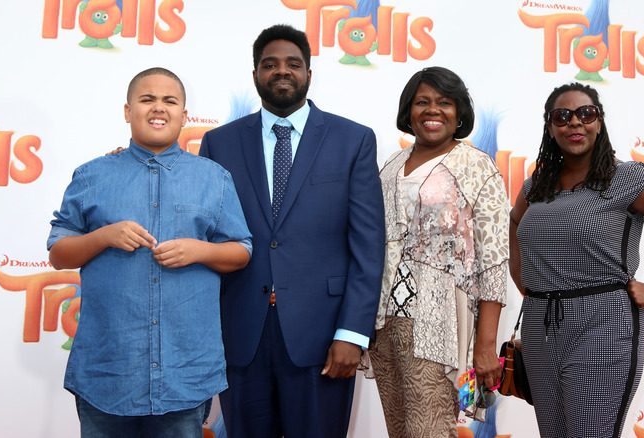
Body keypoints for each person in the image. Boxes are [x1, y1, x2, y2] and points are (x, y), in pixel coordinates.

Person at [198, 24, 385, 438]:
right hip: (241, 335)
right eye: (270, 64)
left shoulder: (353, 140)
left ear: (308, 74)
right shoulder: (219, 143)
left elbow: (368, 249)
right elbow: (206, 240)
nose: (281, 72)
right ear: (255, 77)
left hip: (323, 336)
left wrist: (353, 334)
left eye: (293, 64)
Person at [47, 67, 252, 438]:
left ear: (184, 116)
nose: (158, 108)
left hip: (185, 370)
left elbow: (242, 252)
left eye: (169, 101)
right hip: (108, 369)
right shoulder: (91, 176)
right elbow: (59, 254)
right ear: (128, 111)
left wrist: (200, 250)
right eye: (147, 99)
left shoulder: (214, 178)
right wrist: (104, 236)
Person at [509, 82, 644, 438]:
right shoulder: (536, 186)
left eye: (585, 114)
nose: (574, 123)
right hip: (539, 328)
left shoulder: (626, 178)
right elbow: (515, 223)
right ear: (550, 127)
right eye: (562, 116)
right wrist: (525, 280)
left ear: (599, 122)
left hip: (603, 324)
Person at [365, 66, 509, 437]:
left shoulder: (478, 166)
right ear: (408, 112)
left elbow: (494, 261)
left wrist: (486, 345)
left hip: (439, 321)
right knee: (399, 430)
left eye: (445, 103)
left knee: (430, 429)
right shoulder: (390, 166)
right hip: (384, 323)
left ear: (459, 113)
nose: (433, 111)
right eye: (422, 102)